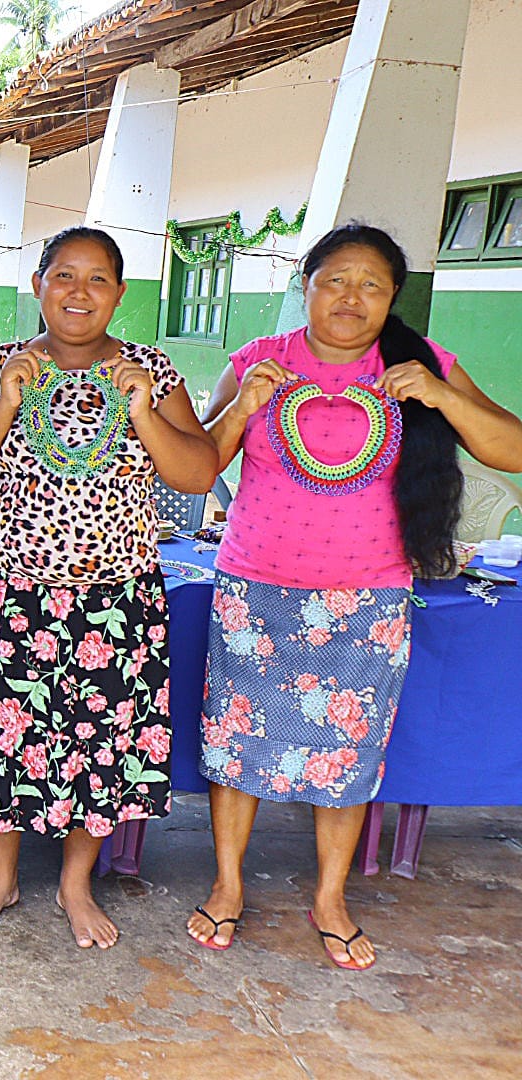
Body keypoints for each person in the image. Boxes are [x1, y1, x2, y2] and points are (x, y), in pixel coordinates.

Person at [187, 223, 522, 969]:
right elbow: (196, 462)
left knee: (347, 753)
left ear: (393, 296)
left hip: (368, 598)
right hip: (256, 589)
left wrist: (438, 394)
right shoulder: (257, 361)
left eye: (371, 284)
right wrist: (241, 406)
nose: (351, 297)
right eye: (335, 279)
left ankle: (331, 897)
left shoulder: (422, 362)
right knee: (237, 743)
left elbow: (513, 447)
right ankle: (229, 885)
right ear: (304, 285)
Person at [0, 226, 219, 948]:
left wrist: (144, 411)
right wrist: (4, 395)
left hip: (116, 598)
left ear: (120, 294)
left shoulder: (154, 370)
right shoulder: (3, 363)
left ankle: (73, 884)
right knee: (0, 737)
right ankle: (0, 880)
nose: (79, 292)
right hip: (11, 593)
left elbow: (197, 474)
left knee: (103, 746)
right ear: (38, 286)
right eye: (64, 276)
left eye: (97, 280)